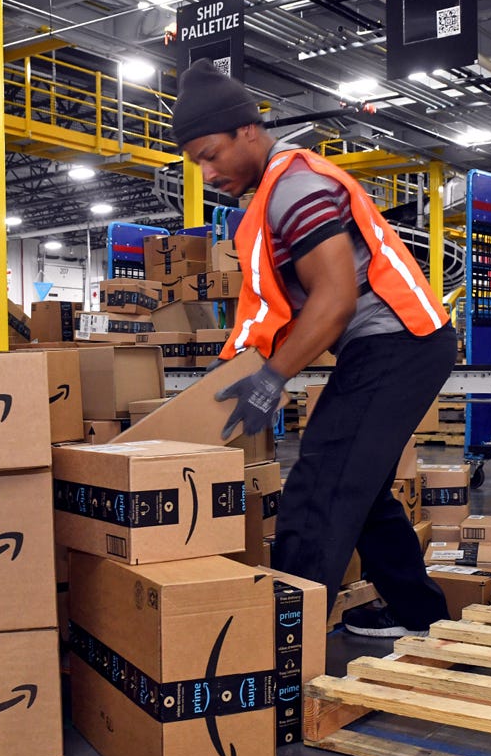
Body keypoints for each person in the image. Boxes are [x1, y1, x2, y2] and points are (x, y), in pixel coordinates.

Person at [174, 59, 457, 638]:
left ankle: (280, 652)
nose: (206, 174)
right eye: (195, 162)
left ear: (246, 130)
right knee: (364, 485)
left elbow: (334, 302)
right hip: (392, 345)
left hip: (398, 343)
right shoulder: (274, 192)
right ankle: (422, 619)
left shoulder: (295, 188)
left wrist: (271, 377)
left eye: (210, 154)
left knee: (318, 487)